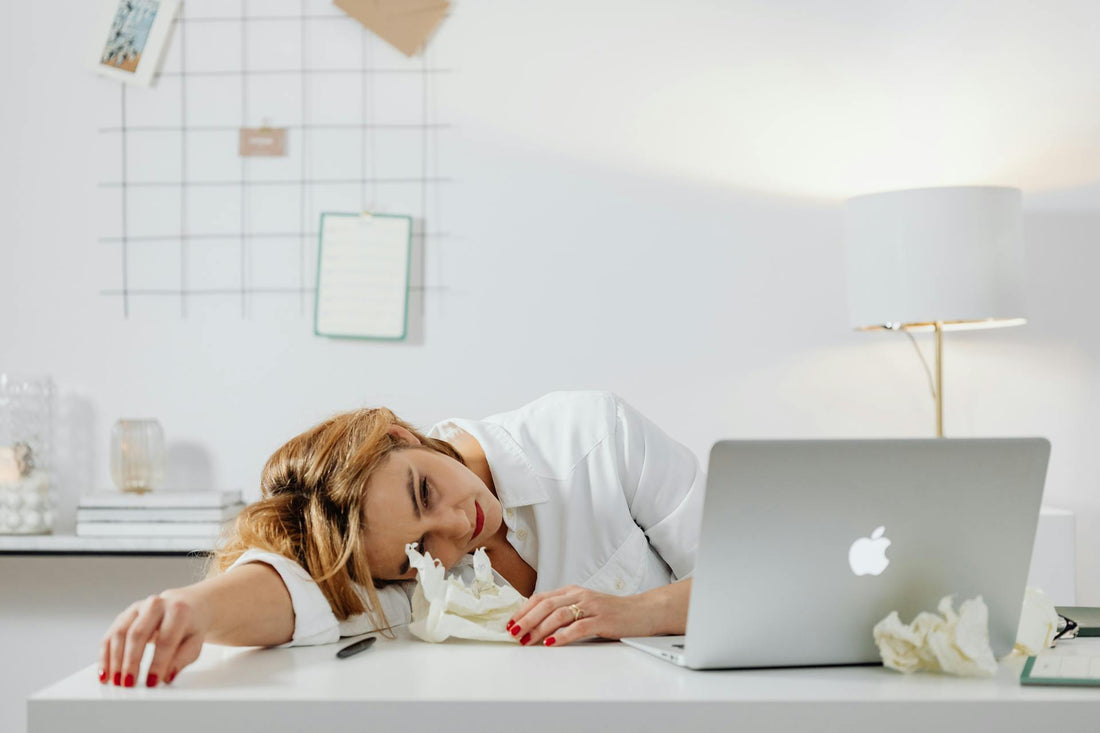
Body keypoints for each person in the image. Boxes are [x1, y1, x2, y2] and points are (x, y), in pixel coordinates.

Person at [97, 391, 705, 688]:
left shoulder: (590, 436)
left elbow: (772, 579)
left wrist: (631, 613)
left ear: (400, 435)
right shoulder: (407, 577)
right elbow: (301, 597)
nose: (455, 527)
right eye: (419, 552)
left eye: (423, 492)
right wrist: (190, 609)